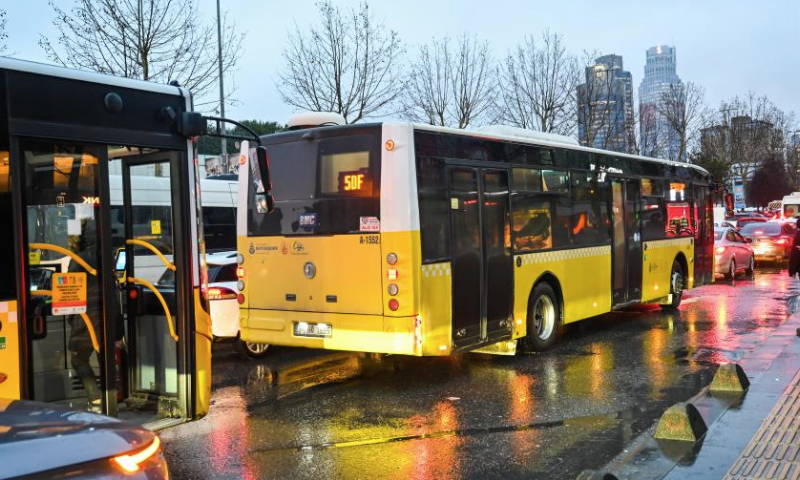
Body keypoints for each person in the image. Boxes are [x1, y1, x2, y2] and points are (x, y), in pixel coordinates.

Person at [66, 220, 102, 410]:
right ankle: (112, 394)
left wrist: (71, 318)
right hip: (106, 314)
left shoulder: (79, 260)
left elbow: (70, 291)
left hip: (86, 316)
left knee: (78, 358)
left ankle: (96, 399)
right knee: (104, 353)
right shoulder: (105, 257)